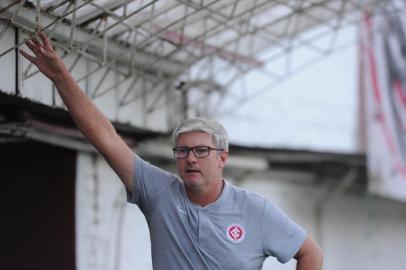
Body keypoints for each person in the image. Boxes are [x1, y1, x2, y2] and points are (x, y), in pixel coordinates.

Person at [21, 33, 323, 270]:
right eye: (183, 151)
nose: (191, 158)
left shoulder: (256, 211)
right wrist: (61, 77)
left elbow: (310, 253)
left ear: (222, 157)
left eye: (201, 150)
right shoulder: (158, 192)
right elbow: (106, 138)